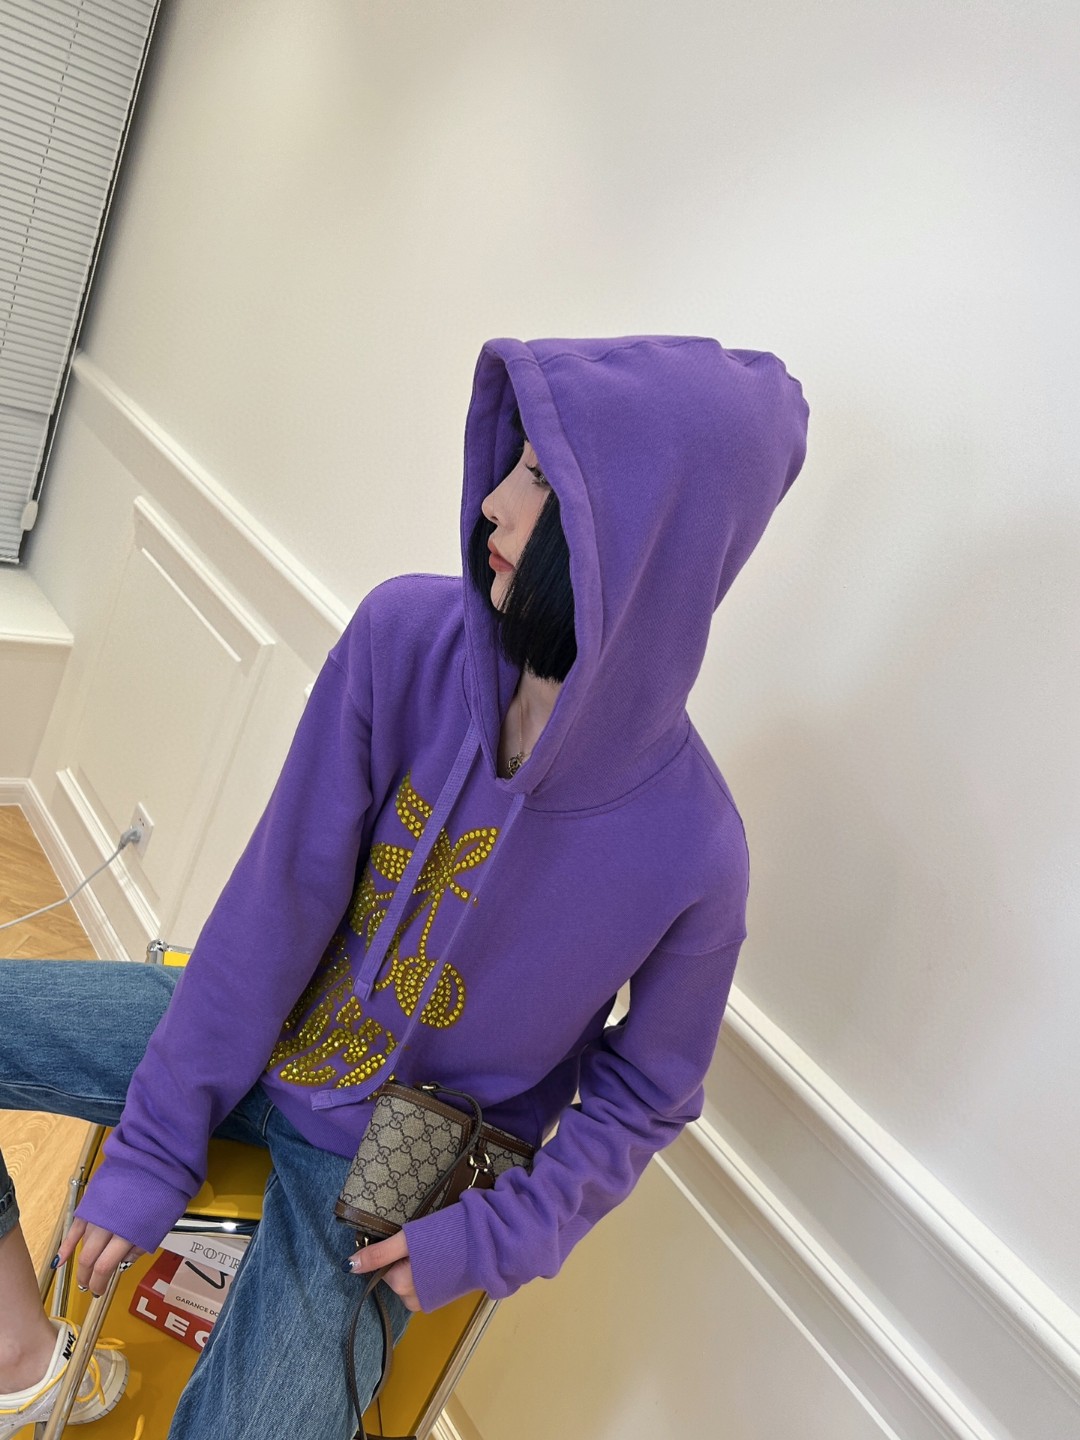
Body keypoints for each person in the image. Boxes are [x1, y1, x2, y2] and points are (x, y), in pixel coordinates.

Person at [0, 334, 809, 1438]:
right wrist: (155, 1140)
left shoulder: (696, 849)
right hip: (257, 1029)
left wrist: (494, 1236)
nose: (495, 502)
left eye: (541, 482)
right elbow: (277, 902)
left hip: (396, 1163)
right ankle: (22, 1357)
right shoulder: (404, 640)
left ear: (640, 544)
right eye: (512, 465)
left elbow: (649, 1094)